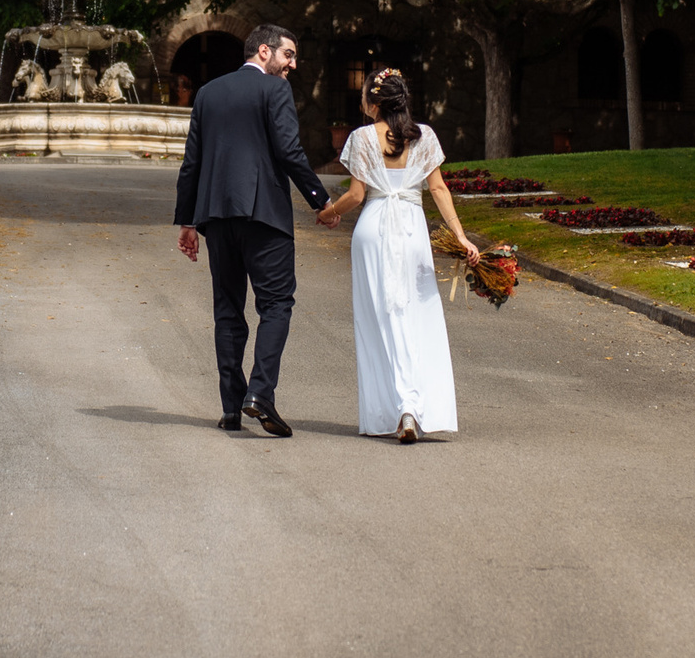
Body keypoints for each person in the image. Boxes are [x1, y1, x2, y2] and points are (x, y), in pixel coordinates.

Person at [174, 24, 329, 436]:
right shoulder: (274, 91)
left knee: (227, 309)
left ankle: (230, 407)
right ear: (264, 51)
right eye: (289, 55)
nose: (292, 65)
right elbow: (289, 150)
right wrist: (321, 199)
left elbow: (192, 163)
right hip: (264, 217)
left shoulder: (208, 93)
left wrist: (189, 222)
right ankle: (259, 395)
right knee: (276, 305)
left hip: (217, 219)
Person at [316, 69, 478, 443]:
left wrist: (328, 213)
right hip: (411, 229)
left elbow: (356, 196)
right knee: (415, 316)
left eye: (363, 97)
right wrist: (461, 236)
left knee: (378, 318)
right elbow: (438, 189)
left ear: (374, 103)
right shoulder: (424, 137)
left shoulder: (360, 138)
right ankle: (413, 404)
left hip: (373, 229)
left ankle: (392, 408)